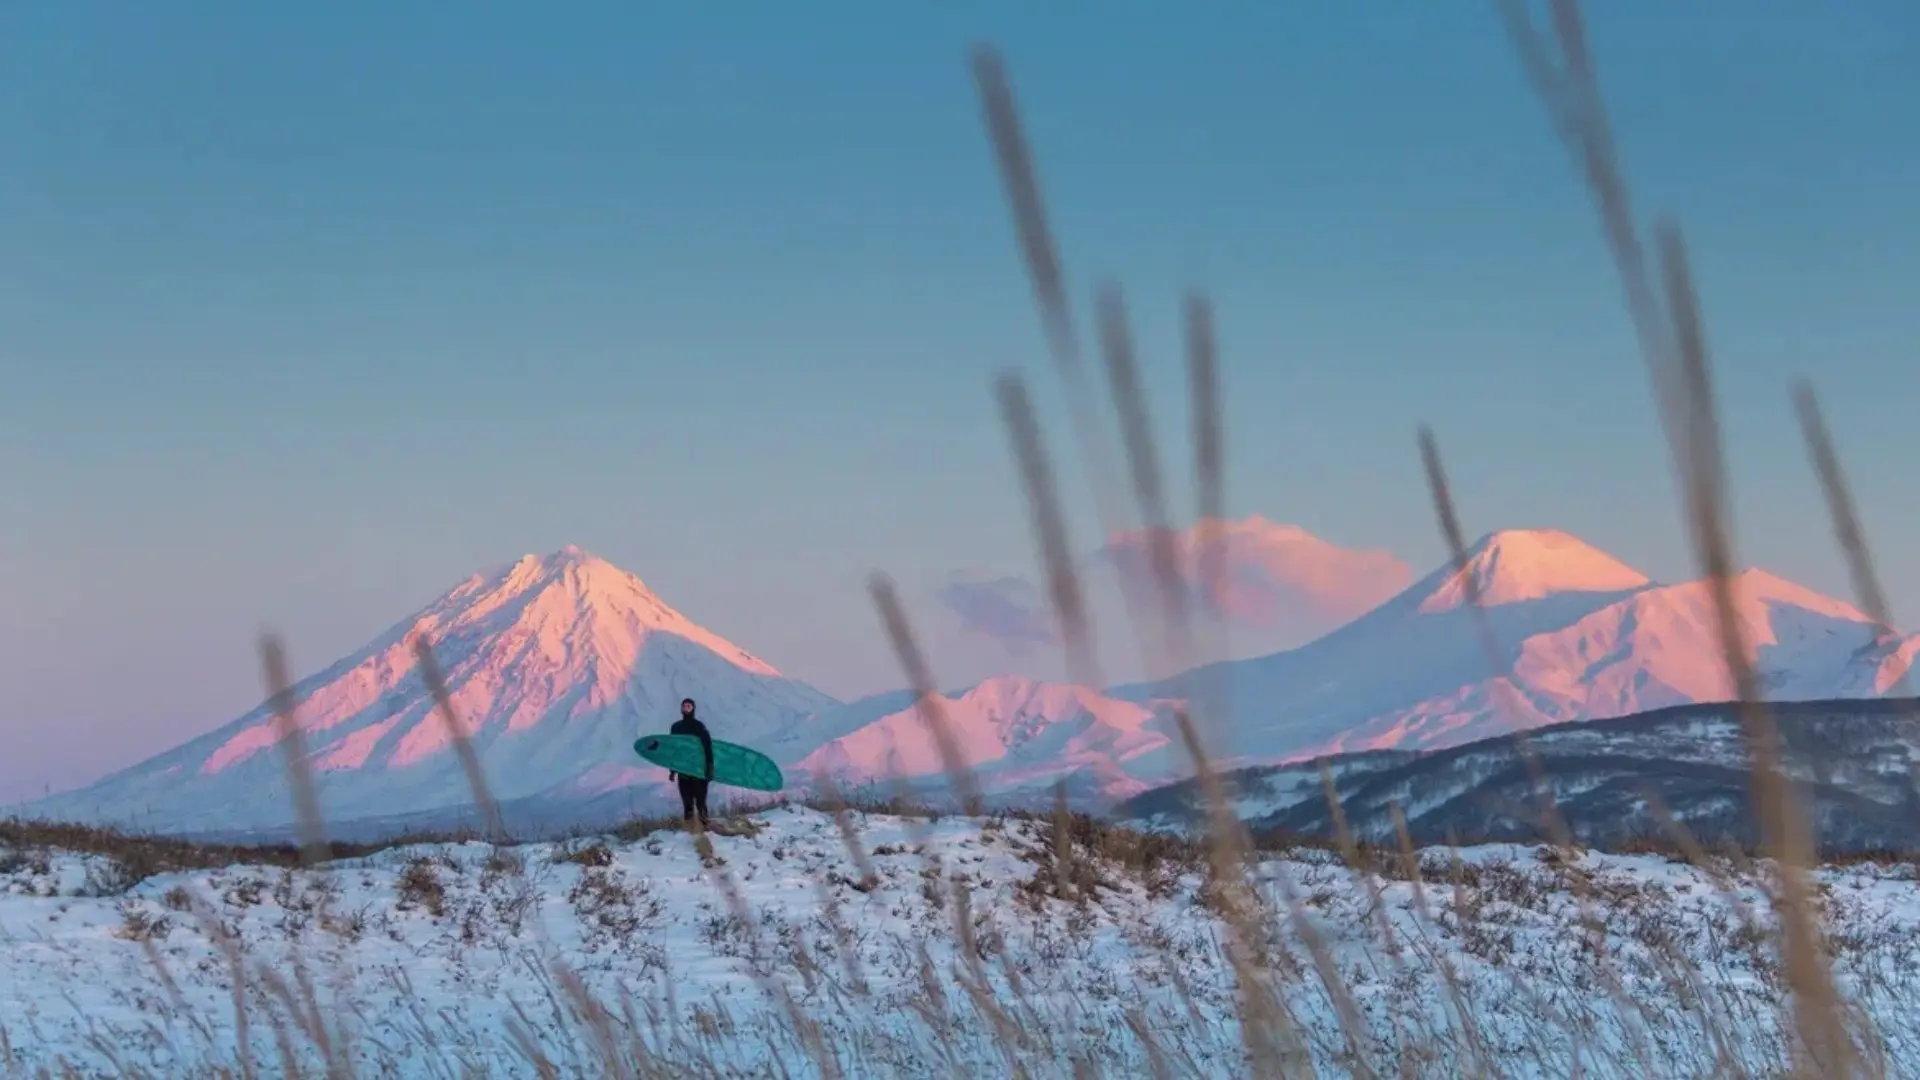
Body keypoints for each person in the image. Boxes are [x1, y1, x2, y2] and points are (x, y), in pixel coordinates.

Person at [667, 697, 714, 827]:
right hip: (683, 771)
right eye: (684, 706)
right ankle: (690, 828)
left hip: (699, 771)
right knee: (687, 802)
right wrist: (672, 770)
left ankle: (705, 826)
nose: (686, 708)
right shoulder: (676, 727)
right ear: (681, 709)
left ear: (693, 708)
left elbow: (707, 747)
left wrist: (709, 767)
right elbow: (674, 749)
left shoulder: (699, 726)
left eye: (689, 706)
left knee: (700, 802)